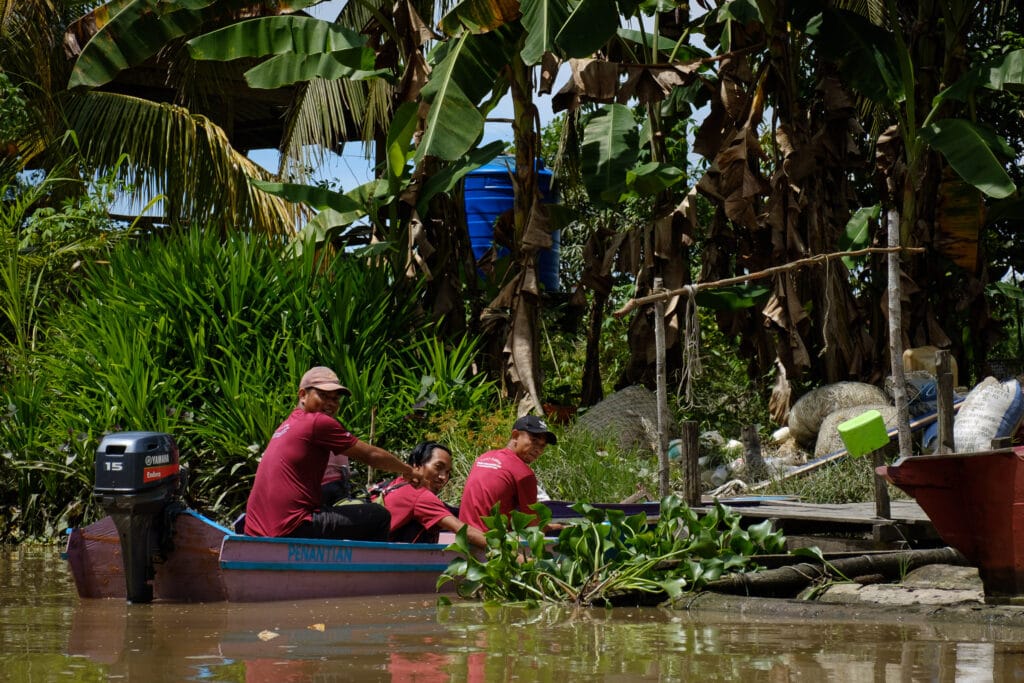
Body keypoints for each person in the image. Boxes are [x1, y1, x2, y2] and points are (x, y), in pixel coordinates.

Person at [244, 366, 423, 540]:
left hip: (256, 529)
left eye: (335, 399)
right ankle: (364, 570)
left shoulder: (286, 425)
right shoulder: (317, 422)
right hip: (291, 527)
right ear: (303, 395)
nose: (331, 404)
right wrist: (409, 471)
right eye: (323, 395)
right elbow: (370, 455)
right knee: (378, 515)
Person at [458, 415, 560, 533]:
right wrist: (559, 527)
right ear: (515, 436)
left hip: (465, 536)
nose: (538, 449)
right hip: (489, 542)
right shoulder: (524, 473)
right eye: (534, 441)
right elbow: (534, 526)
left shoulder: (483, 458)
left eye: (543, 445)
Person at [375, 441, 488, 548]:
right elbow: (462, 530)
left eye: (448, 472)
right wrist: (502, 548)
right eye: (438, 467)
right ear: (417, 466)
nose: (443, 477)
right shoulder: (420, 496)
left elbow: (446, 509)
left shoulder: (394, 485)